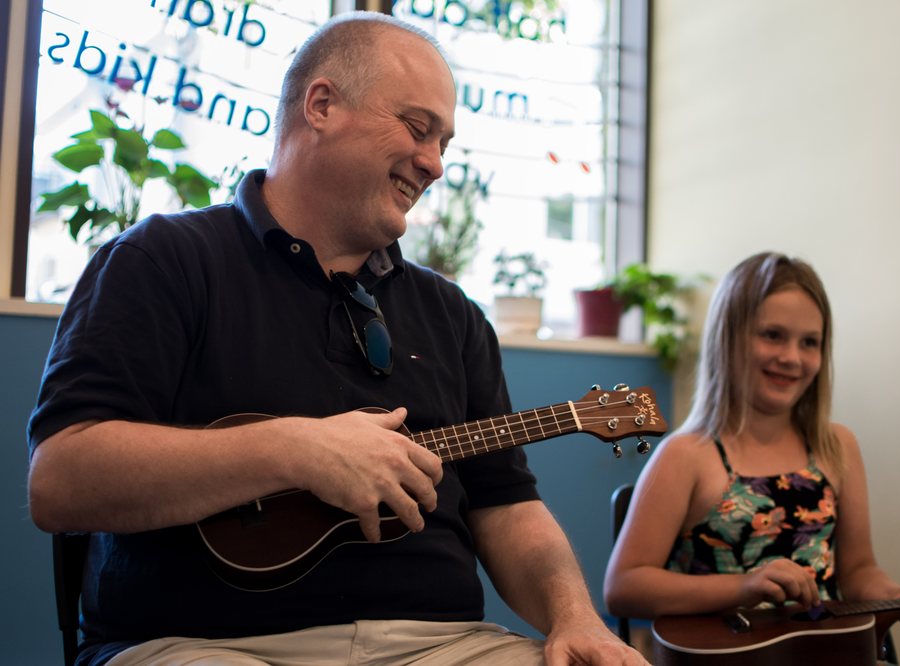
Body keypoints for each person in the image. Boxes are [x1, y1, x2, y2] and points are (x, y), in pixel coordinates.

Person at [27, 12, 645, 666]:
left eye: (444, 142)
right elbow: (61, 481)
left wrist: (577, 618)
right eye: (417, 127)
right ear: (321, 105)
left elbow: (506, 503)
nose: (434, 163)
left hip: (439, 645)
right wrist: (295, 449)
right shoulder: (161, 261)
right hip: (203, 644)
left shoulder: (452, 314)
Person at [604, 252, 900, 639]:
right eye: (772, 335)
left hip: (826, 653)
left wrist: (899, 597)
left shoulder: (837, 446)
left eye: (809, 342)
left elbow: (860, 572)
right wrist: (744, 588)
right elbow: (624, 589)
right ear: (728, 339)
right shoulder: (686, 454)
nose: (791, 358)